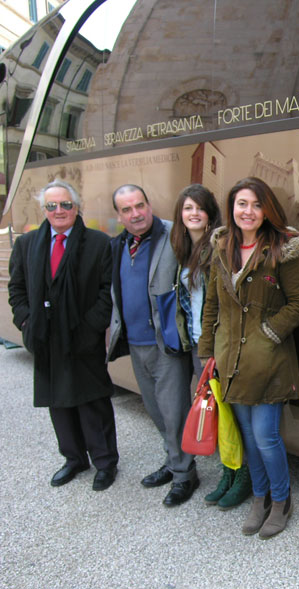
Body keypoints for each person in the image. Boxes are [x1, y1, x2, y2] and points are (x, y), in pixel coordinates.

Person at [198, 176, 299, 538]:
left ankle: (282, 500)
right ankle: (259, 497)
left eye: (256, 205)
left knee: (266, 436)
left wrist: (268, 335)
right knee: (248, 436)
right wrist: (206, 351)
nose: (248, 211)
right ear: (231, 208)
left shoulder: (282, 249)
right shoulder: (222, 249)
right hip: (230, 359)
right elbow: (212, 305)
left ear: (267, 210)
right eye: (241, 204)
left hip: (268, 361)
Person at [8, 180, 118, 490]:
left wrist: (89, 329)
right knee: (58, 402)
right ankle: (73, 458)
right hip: (45, 338)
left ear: (77, 207)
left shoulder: (98, 243)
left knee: (92, 403)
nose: (60, 211)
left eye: (66, 205)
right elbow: (16, 289)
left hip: (83, 337)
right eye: (52, 206)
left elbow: (106, 293)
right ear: (44, 210)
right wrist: (26, 322)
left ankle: (105, 462)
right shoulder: (28, 244)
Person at [108, 183, 198, 506]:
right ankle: (174, 461)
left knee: (174, 412)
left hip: (166, 343)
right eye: (127, 209)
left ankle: (185, 476)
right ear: (119, 215)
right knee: (156, 410)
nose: (136, 214)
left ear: (149, 203)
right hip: (135, 343)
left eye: (140, 205)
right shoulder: (119, 244)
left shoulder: (174, 235)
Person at [169, 184, 252, 510]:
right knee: (217, 412)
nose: (193, 214)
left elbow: (220, 304)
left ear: (210, 213)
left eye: (199, 208)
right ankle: (227, 474)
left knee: (232, 414)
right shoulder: (184, 249)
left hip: (219, 346)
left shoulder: (218, 246)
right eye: (187, 208)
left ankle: (241, 475)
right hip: (199, 345)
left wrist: (215, 347)